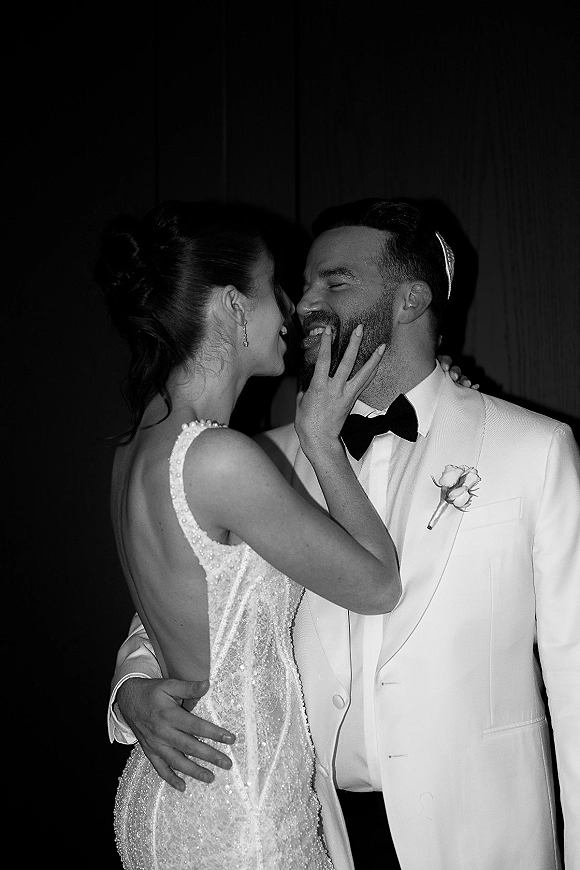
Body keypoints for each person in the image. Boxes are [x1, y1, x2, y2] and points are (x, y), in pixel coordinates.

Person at [109, 199, 580, 870]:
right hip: (319, 826)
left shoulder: (532, 450)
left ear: (412, 299)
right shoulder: (265, 457)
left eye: (333, 282)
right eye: (299, 285)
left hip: (480, 839)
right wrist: (131, 688)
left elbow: (578, 681)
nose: (303, 305)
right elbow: (177, 600)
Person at [96, 199, 405, 870]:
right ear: (235, 307)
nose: (293, 310)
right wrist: (322, 440)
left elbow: (179, 608)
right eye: (277, 290)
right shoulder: (220, 460)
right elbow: (378, 584)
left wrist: (129, 687)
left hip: (172, 790)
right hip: (240, 814)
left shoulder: (135, 448)